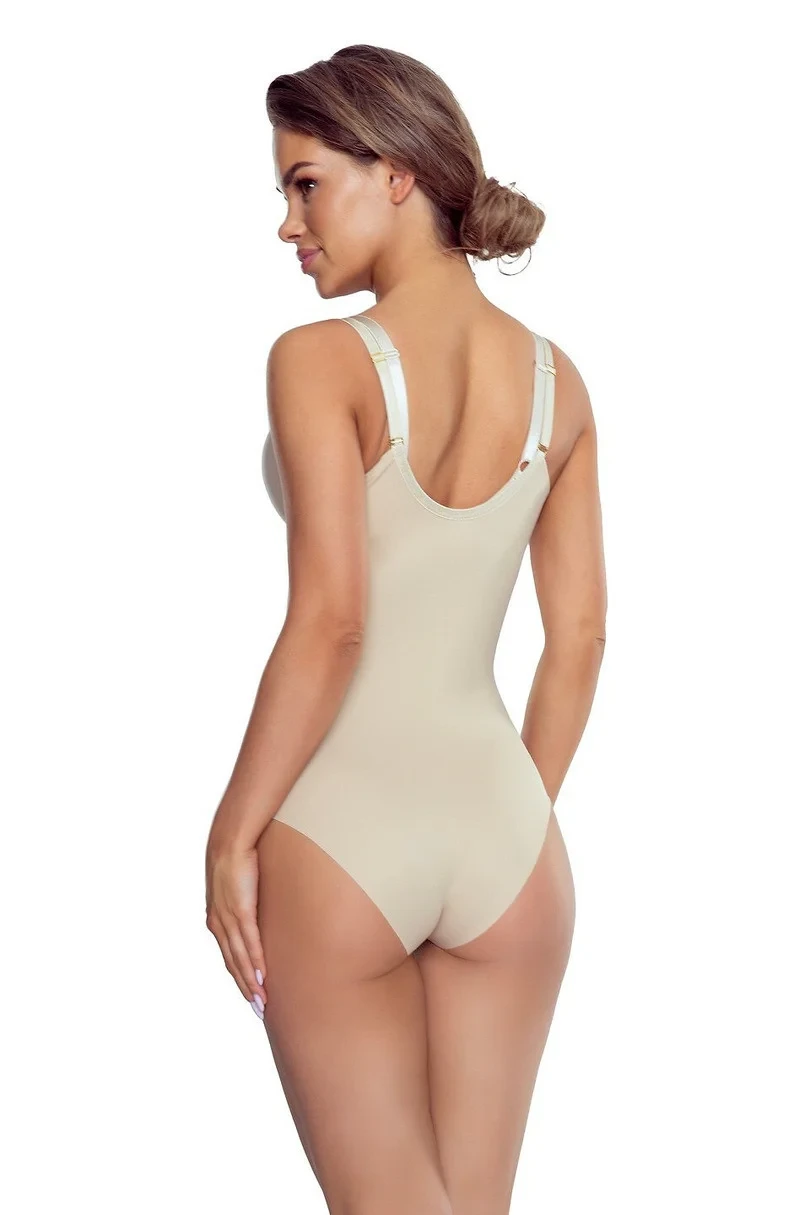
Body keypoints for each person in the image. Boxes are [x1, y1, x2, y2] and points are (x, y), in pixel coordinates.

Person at [205, 43, 607, 1215]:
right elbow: (580, 637)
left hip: (343, 834)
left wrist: (231, 833)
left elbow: (333, 623)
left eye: (305, 184)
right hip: (509, 846)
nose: (288, 224)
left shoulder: (319, 362)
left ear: (396, 175)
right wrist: (507, 824)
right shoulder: (559, 383)